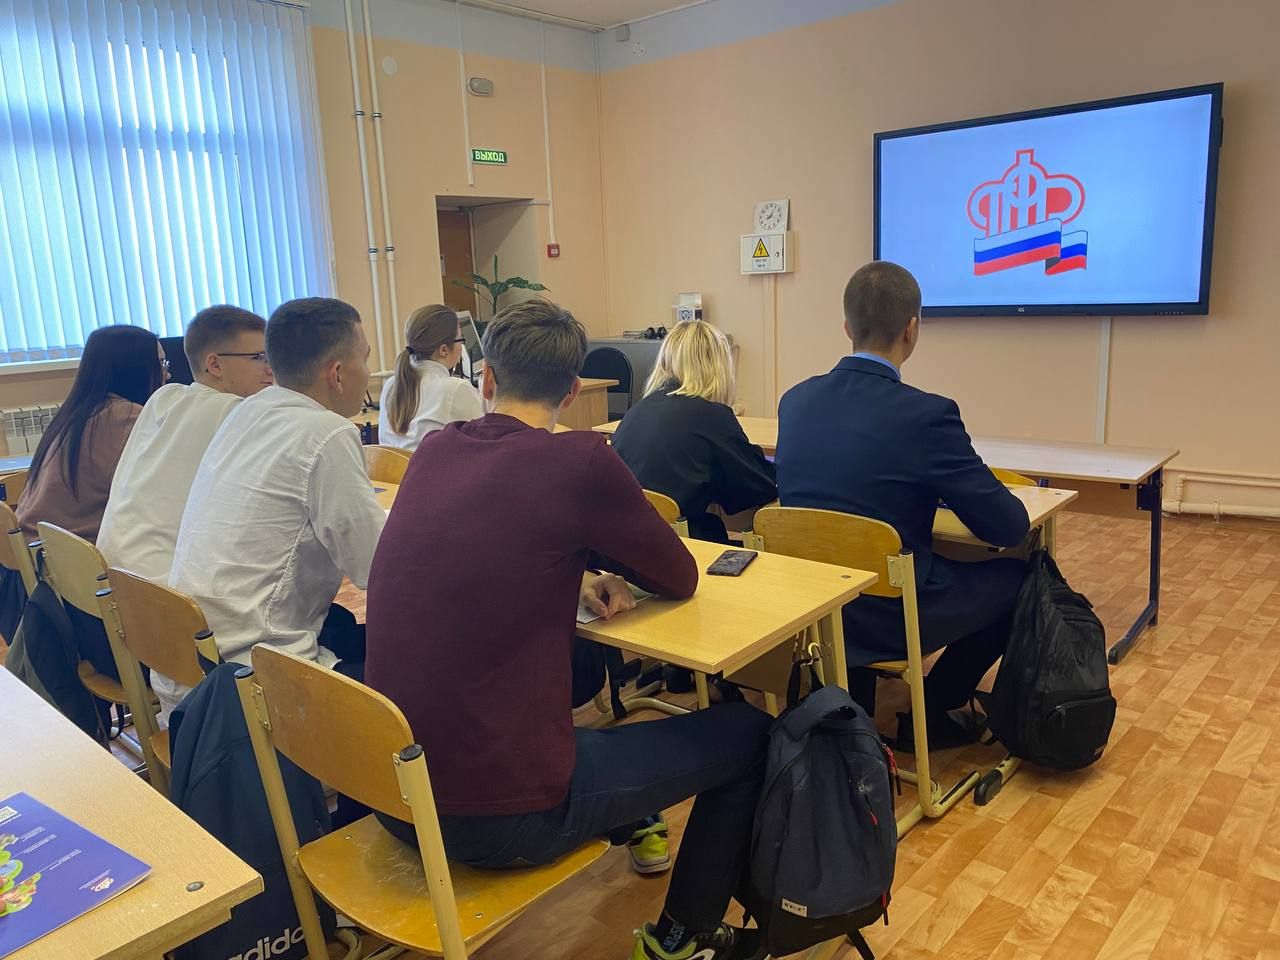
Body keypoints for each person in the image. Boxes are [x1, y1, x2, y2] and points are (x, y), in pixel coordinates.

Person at [365, 299, 771, 960]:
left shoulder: (435, 451)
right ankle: (684, 936)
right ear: (573, 390)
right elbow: (678, 576)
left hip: (394, 794)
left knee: (590, 737)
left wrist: (573, 575)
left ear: (486, 379)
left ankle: (635, 822)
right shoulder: (580, 461)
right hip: (495, 817)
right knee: (749, 733)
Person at [775, 261, 1030, 748]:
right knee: (1020, 579)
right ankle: (931, 713)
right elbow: (1008, 527)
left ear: (847, 327)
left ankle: (852, 703)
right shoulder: (928, 416)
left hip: (815, 607)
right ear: (912, 329)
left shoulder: (795, 402)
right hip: (891, 615)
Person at [161, 298, 384, 716]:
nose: (369, 372)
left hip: (194, 664)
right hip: (253, 686)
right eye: (366, 358)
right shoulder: (327, 432)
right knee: (428, 668)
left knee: (349, 626)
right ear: (337, 373)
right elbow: (378, 567)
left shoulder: (247, 411)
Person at [98, 305, 273, 586]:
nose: (270, 369)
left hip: (115, 573)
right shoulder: (237, 412)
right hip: (164, 589)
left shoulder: (164, 397)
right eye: (258, 357)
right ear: (215, 365)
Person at [611, 319, 776, 544]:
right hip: (679, 547)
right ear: (718, 366)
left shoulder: (637, 410)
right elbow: (757, 489)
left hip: (625, 544)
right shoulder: (711, 416)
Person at [16, 325, 166, 543]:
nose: (167, 373)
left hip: (33, 548)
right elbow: (155, 493)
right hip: (67, 554)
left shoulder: (78, 411)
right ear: (135, 369)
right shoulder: (126, 417)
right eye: (160, 364)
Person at [378, 304, 484, 451]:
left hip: (393, 466)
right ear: (444, 350)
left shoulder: (391, 385)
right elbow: (485, 441)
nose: (461, 346)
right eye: (460, 340)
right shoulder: (455, 389)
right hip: (432, 466)